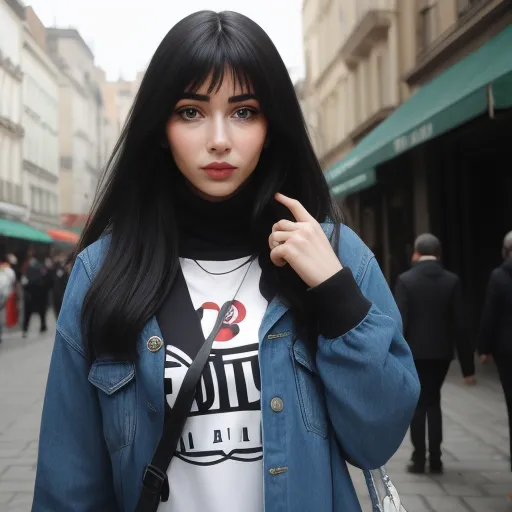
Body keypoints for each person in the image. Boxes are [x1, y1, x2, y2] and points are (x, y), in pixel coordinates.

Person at [32, 11, 420, 512]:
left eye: (244, 111)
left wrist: (337, 294)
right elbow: (69, 482)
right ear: (160, 127)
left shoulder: (333, 253)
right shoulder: (102, 271)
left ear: (271, 124)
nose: (219, 138)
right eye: (192, 111)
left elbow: (379, 437)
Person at [394, 233, 475, 474]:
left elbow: (400, 321)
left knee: (418, 404)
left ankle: (419, 460)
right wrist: (467, 368)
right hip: (441, 354)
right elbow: (461, 324)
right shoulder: (452, 281)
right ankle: (436, 459)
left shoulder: (405, 280)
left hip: (414, 353)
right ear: (438, 254)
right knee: (434, 400)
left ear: (416, 253)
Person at [478, 231, 512, 499]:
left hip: (507, 350)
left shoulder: (500, 276)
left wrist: (485, 348)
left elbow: (490, 313)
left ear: (505, 250)